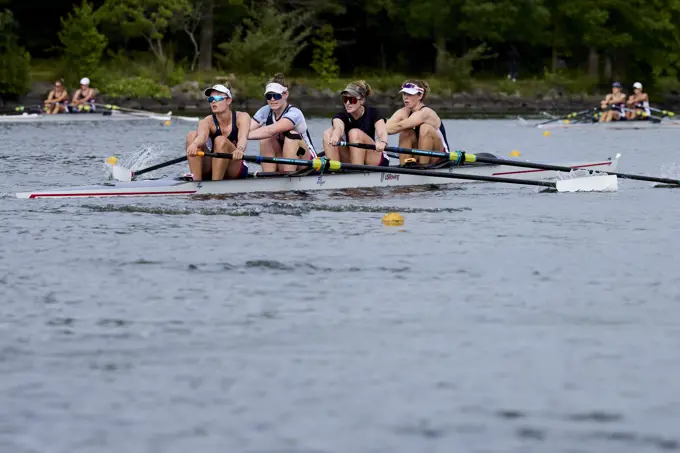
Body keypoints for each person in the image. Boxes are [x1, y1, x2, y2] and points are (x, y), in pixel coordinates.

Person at [248, 73, 319, 173]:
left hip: (306, 162)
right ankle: (268, 177)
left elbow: (270, 130)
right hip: (283, 159)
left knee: (291, 136)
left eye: (276, 96)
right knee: (265, 139)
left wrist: (243, 136)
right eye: (269, 96)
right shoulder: (265, 111)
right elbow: (247, 129)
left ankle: (287, 180)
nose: (272, 99)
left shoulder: (294, 113)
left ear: (285, 94)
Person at [185, 83, 251, 181]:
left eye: (218, 98)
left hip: (234, 166)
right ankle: (196, 183)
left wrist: (240, 149)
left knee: (221, 140)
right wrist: (194, 144)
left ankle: (216, 187)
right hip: (212, 165)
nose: (213, 102)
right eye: (211, 99)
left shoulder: (242, 117)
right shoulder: (207, 121)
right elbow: (202, 137)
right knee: (191, 136)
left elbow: (243, 137)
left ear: (229, 100)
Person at [323, 80, 389, 166]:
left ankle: (356, 172)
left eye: (351, 100)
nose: (347, 103)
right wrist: (335, 136)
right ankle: (333, 171)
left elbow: (382, 131)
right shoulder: (342, 114)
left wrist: (383, 142)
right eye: (345, 99)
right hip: (351, 157)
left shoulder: (373, 112)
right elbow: (338, 127)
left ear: (361, 100)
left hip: (373, 157)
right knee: (328, 133)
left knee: (354, 132)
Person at [385, 80, 450, 166]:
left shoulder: (426, 112)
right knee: (406, 132)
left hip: (439, 155)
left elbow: (399, 126)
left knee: (424, 128)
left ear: (420, 95)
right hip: (418, 152)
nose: (405, 97)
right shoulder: (403, 112)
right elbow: (385, 128)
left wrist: (381, 130)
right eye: (404, 94)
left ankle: (422, 167)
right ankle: (404, 166)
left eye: (410, 94)